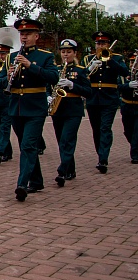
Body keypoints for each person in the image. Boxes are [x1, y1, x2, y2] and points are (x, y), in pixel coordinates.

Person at [0, 18, 59, 202]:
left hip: (35, 107)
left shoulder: (45, 56)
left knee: (28, 146)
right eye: (22, 34)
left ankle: (22, 184)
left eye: (28, 34)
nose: (24, 37)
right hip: (16, 107)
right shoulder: (11, 57)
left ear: (36, 36)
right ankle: (37, 181)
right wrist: (7, 76)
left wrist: (31, 66)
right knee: (26, 145)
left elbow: (53, 77)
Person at [82, 31, 130, 174]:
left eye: (103, 43)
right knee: (96, 129)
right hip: (93, 98)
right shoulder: (88, 59)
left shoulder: (117, 58)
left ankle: (103, 159)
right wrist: (90, 68)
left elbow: (124, 72)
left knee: (105, 128)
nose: (100, 46)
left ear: (108, 45)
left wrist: (110, 60)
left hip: (109, 98)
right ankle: (100, 154)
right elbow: (81, 76)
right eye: (98, 43)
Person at [50, 39, 92, 186]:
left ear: (75, 53)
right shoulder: (56, 69)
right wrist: (49, 96)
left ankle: (62, 171)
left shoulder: (81, 70)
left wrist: (72, 85)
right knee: (61, 141)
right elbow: (49, 86)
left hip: (73, 109)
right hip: (57, 109)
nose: (66, 54)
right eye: (63, 52)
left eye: (69, 52)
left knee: (67, 140)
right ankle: (70, 169)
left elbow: (88, 92)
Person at [119, 52, 138, 165]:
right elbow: (117, 87)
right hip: (127, 106)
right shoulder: (123, 74)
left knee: (136, 132)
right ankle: (135, 146)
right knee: (128, 131)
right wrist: (128, 85)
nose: (133, 64)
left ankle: (135, 155)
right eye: (132, 61)